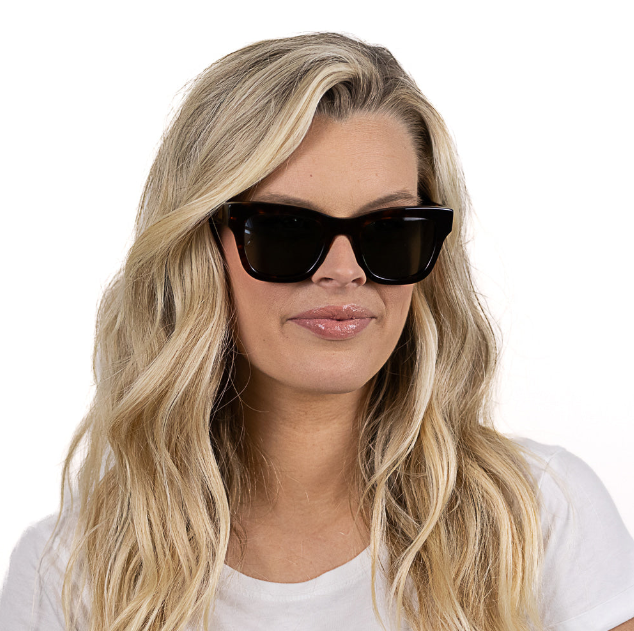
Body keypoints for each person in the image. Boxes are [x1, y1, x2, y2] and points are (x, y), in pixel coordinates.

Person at [1, 31, 633, 631]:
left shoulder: (540, 516)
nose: (345, 270)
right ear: (199, 251)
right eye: (286, 231)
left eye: (390, 231)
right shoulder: (72, 569)